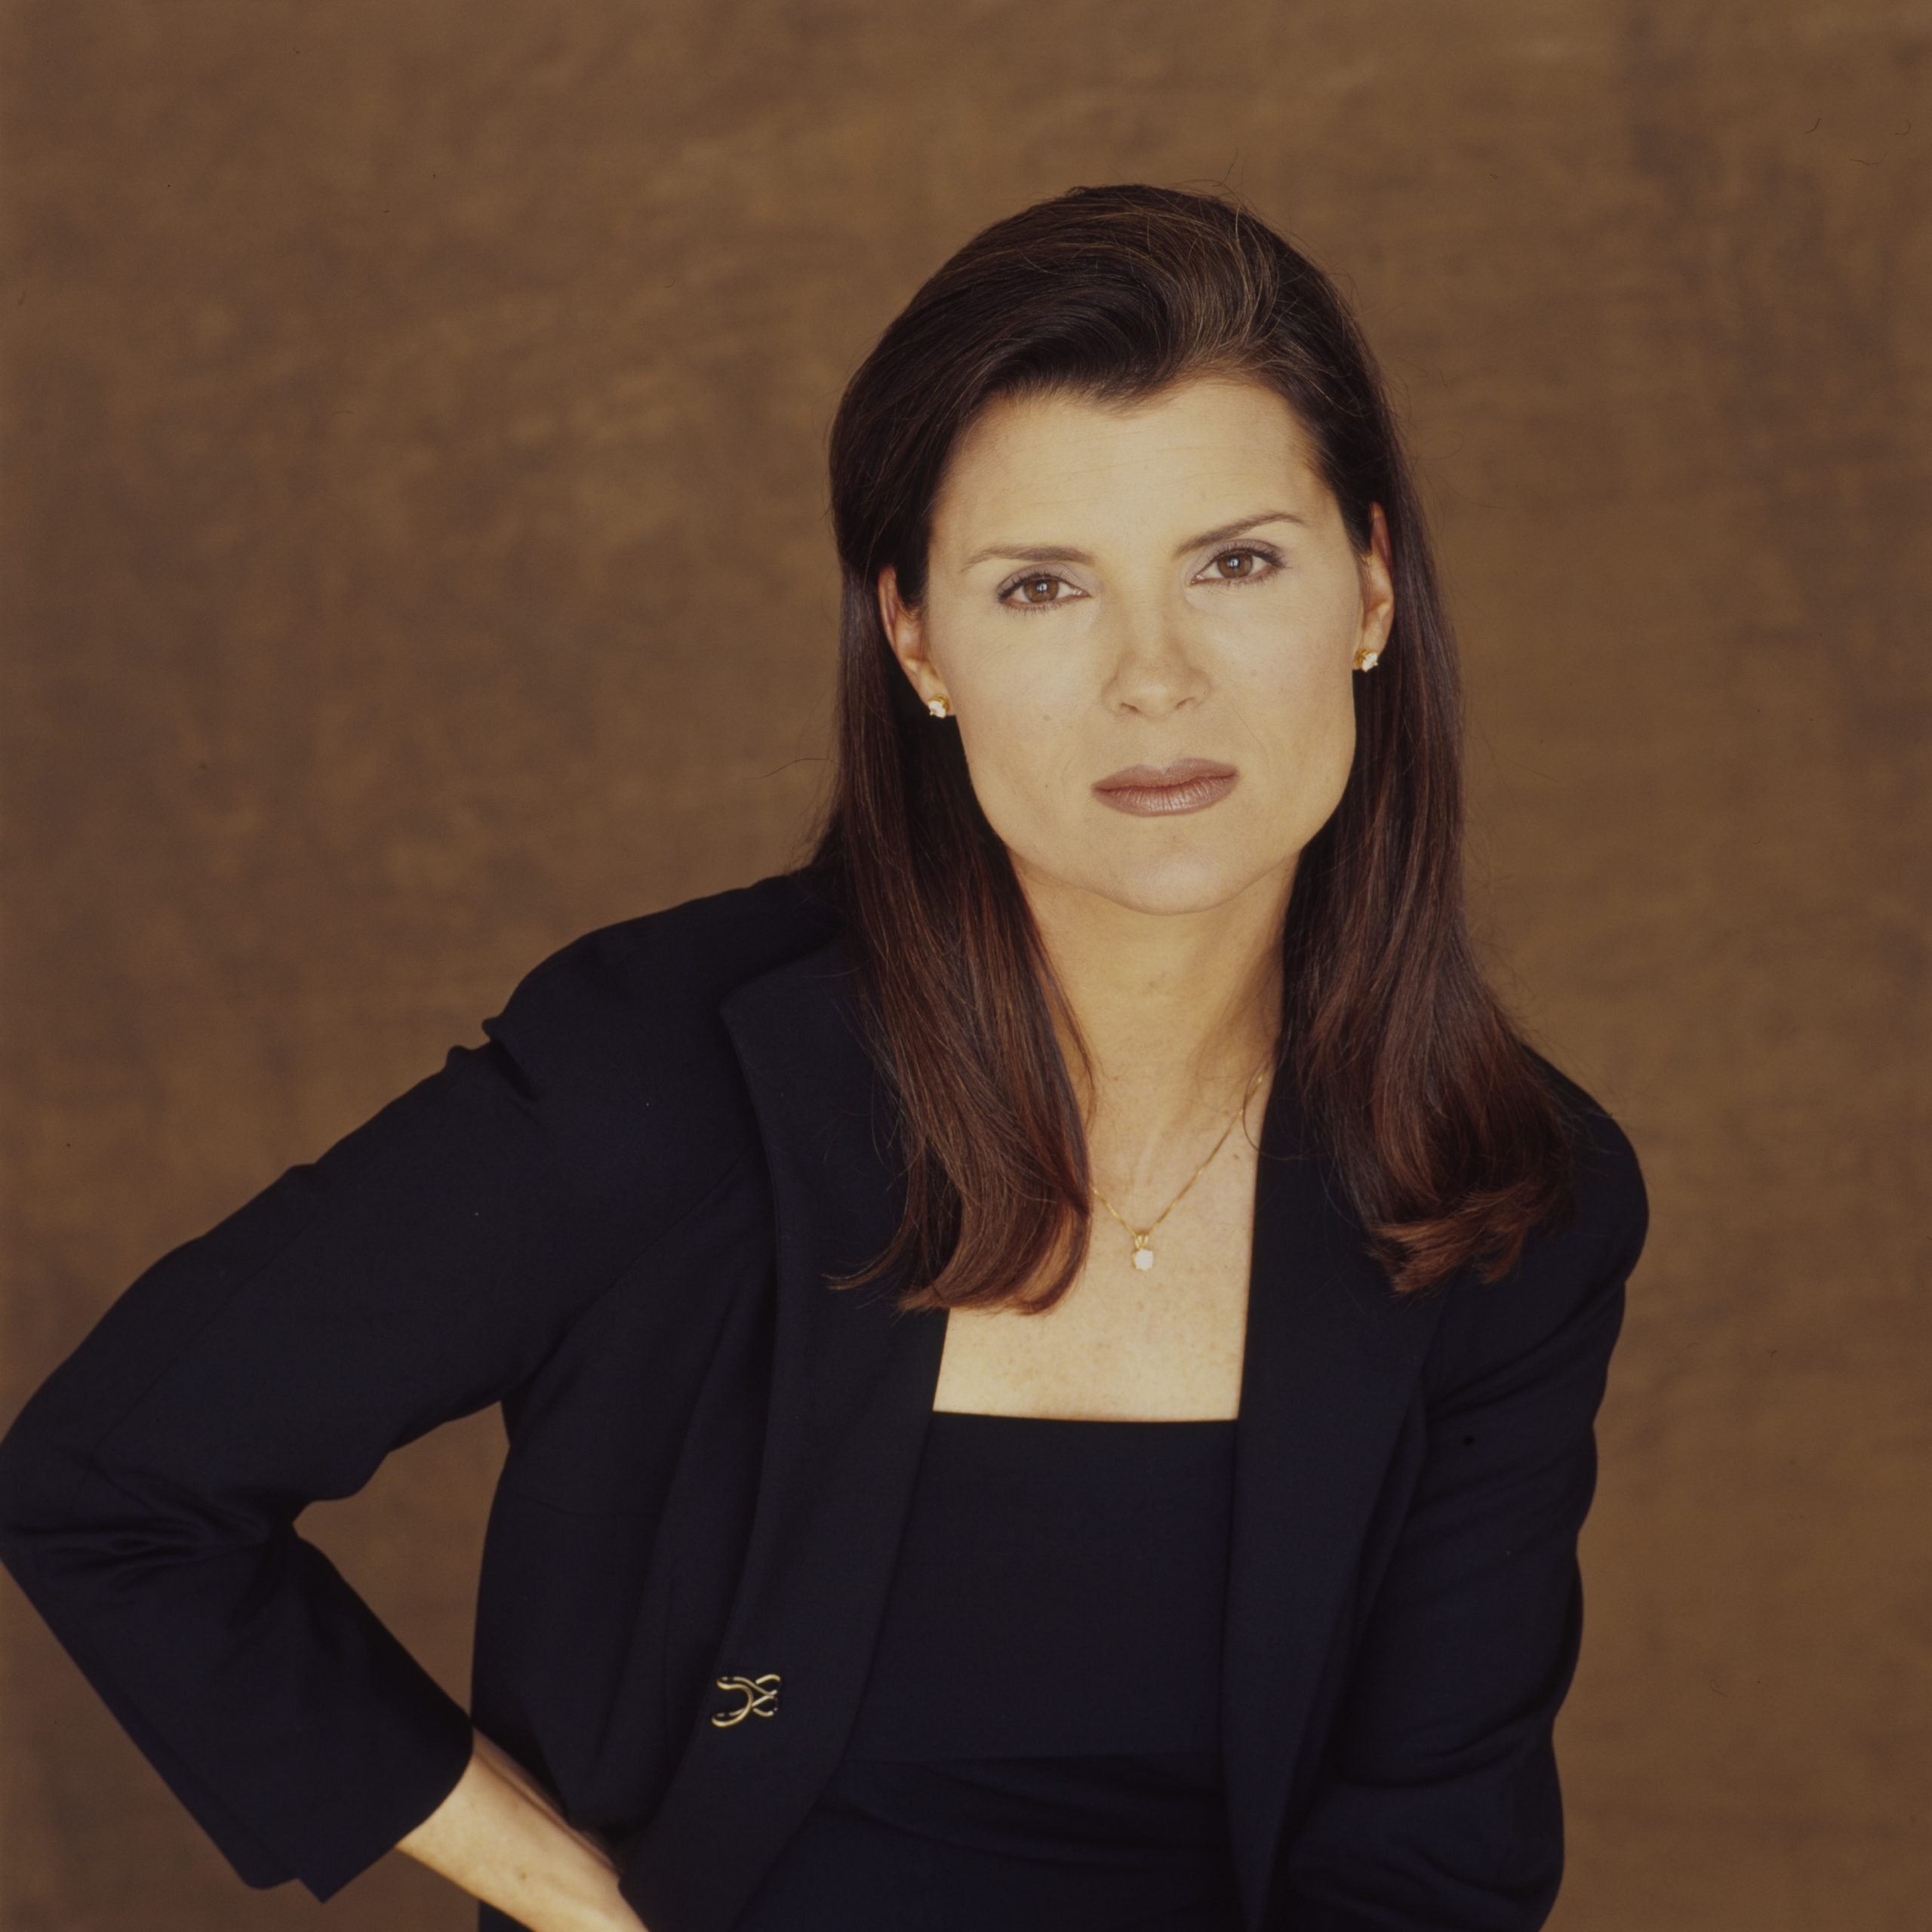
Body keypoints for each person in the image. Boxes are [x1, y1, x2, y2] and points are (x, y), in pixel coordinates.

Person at [0, 183, 1648, 1932]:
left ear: (1369, 587)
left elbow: (1424, 1867)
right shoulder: (660, 1075)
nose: (1153, 678)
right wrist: (573, 1900)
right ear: (916, 638)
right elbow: (114, 1482)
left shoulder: (1501, 1188)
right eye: (1041, 586)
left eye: (1233, 563)